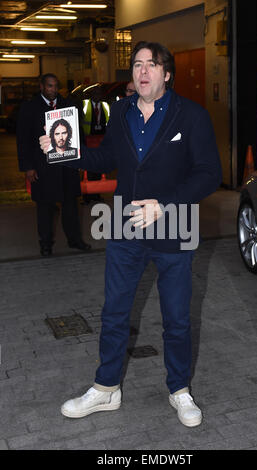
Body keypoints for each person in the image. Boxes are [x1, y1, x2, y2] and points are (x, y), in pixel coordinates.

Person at [40, 41, 222, 427]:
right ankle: (106, 389)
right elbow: (107, 158)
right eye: (137, 65)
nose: (142, 71)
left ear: (166, 74)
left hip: (175, 225)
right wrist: (63, 150)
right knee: (115, 311)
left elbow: (208, 174)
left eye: (151, 65)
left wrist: (166, 203)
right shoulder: (121, 110)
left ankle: (179, 390)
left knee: (176, 317)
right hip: (125, 225)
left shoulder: (191, 116)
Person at [17, 73, 91, 257]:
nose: (53, 90)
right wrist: (28, 167)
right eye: (50, 86)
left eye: (56, 86)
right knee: (45, 207)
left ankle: (75, 240)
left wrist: (82, 160)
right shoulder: (29, 108)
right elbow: (23, 140)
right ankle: (46, 244)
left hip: (67, 166)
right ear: (41, 86)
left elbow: (79, 136)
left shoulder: (67, 105)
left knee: (71, 206)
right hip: (43, 167)